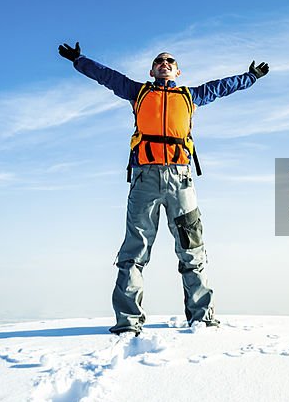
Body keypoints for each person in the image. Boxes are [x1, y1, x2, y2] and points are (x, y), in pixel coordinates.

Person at [58, 41, 269, 335]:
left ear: (178, 70)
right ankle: (128, 323)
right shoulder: (138, 92)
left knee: (191, 248)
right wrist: (79, 61)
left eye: (170, 61)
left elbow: (222, 87)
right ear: (152, 69)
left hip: (181, 181)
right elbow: (106, 76)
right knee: (134, 250)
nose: (165, 63)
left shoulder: (190, 96)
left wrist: (250, 77)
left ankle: (202, 318)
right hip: (145, 180)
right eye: (159, 60)